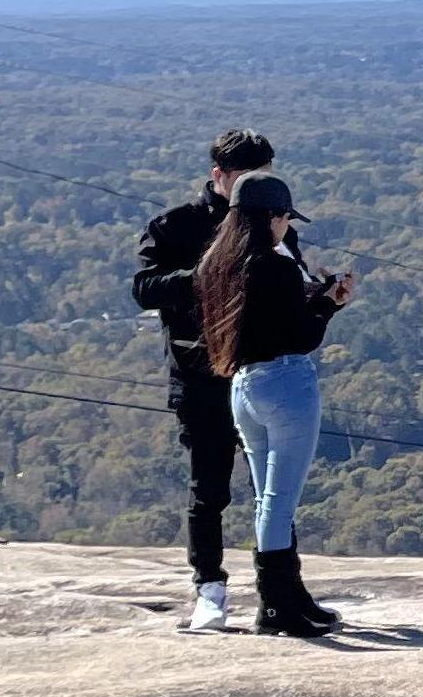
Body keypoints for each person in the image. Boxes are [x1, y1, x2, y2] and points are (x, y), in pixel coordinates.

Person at [194, 171, 355, 635]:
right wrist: (329, 304)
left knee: (268, 499)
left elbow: (258, 321)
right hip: (286, 385)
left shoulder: (216, 265)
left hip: (243, 388)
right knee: (279, 502)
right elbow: (301, 335)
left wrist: (314, 298)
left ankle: (289, 599)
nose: (287, 225)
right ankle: (276, 606)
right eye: (284, 217)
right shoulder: (276, 265)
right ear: (270, 218)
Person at [133, 129, 277, 631]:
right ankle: (210, 590)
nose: (251, 189)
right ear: (218, 175)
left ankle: (280, 591)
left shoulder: (271, 219)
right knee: (210, 486)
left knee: (274, 488)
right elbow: (145, 289)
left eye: (261, 178)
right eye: (242, 178)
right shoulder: (176, 226)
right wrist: (205, 275)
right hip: (200, 376)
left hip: (261, 373)